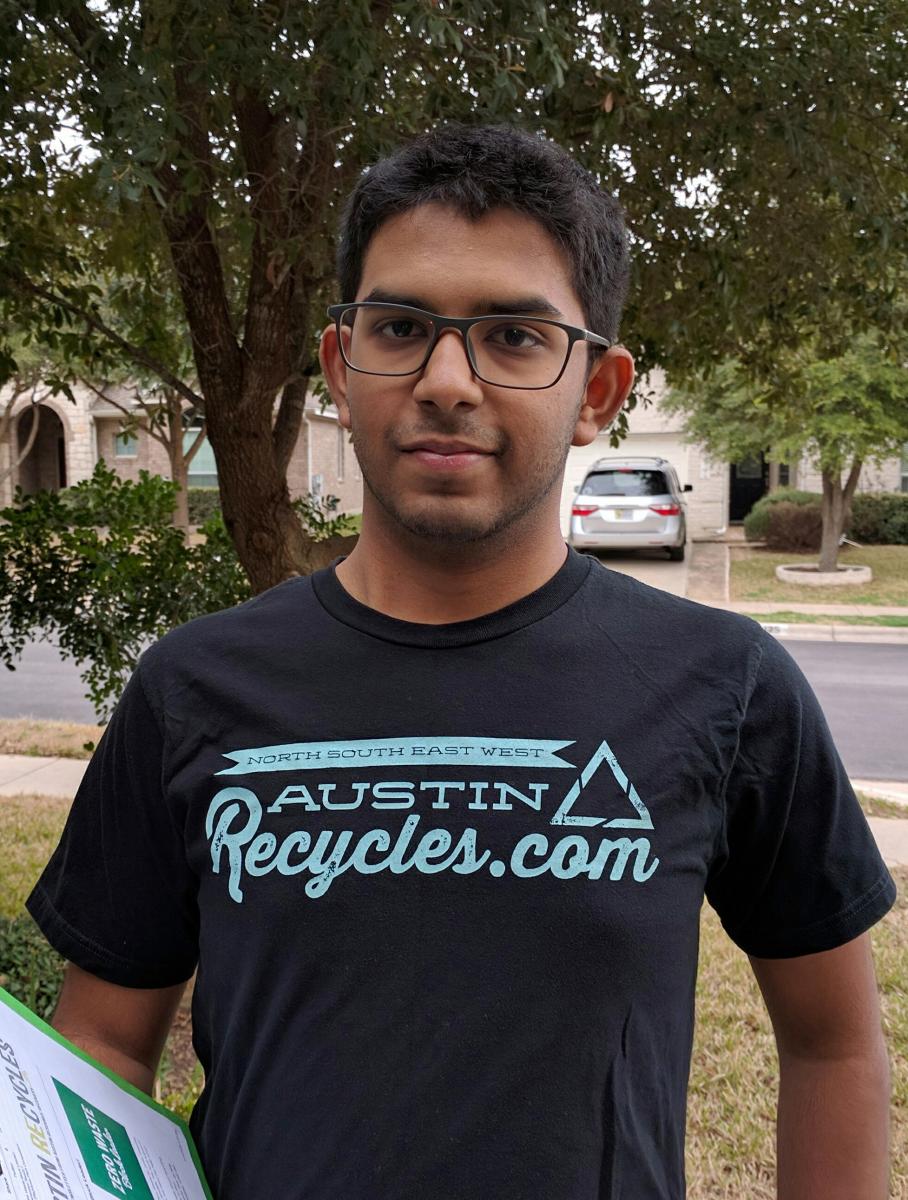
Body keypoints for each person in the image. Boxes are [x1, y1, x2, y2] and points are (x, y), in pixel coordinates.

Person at [28, 124, 894, 1200]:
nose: (447, 380)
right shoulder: (194, 686)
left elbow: (832, 1047)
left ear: (597, 391)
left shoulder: (723, 682)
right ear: (342, 368)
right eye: (400, 326)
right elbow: (101, 1051)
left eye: (515, 336)